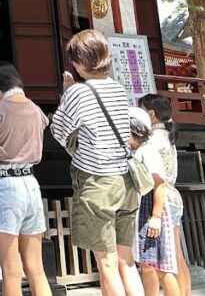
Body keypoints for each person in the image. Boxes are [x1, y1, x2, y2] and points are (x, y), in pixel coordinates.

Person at [51, 30, 141, 296]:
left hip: (97, 182)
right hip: (125, 181)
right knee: (127, 261)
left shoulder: (78, 92)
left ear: (79, 63)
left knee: (106, 263)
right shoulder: (117, 88)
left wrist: (67, 94)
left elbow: (59, 131)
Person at [0, 61, 52, 296]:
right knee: (36, 268)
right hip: (30, 183)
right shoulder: (36, 110)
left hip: (5, 184)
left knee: (11, 269)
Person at [139, 94, 190, 296]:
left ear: (151, 113)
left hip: (160, 200)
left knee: (163, 261)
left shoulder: (152, 139)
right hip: (173, 195)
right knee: (176, 255)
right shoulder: (167, 135)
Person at [129, 107, 179, 296]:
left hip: (151, 208)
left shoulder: (147, 151)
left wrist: (156, 216)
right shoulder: (136, 151)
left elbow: (159, 184)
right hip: (141, 208)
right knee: (147, 264)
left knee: (161, 267)